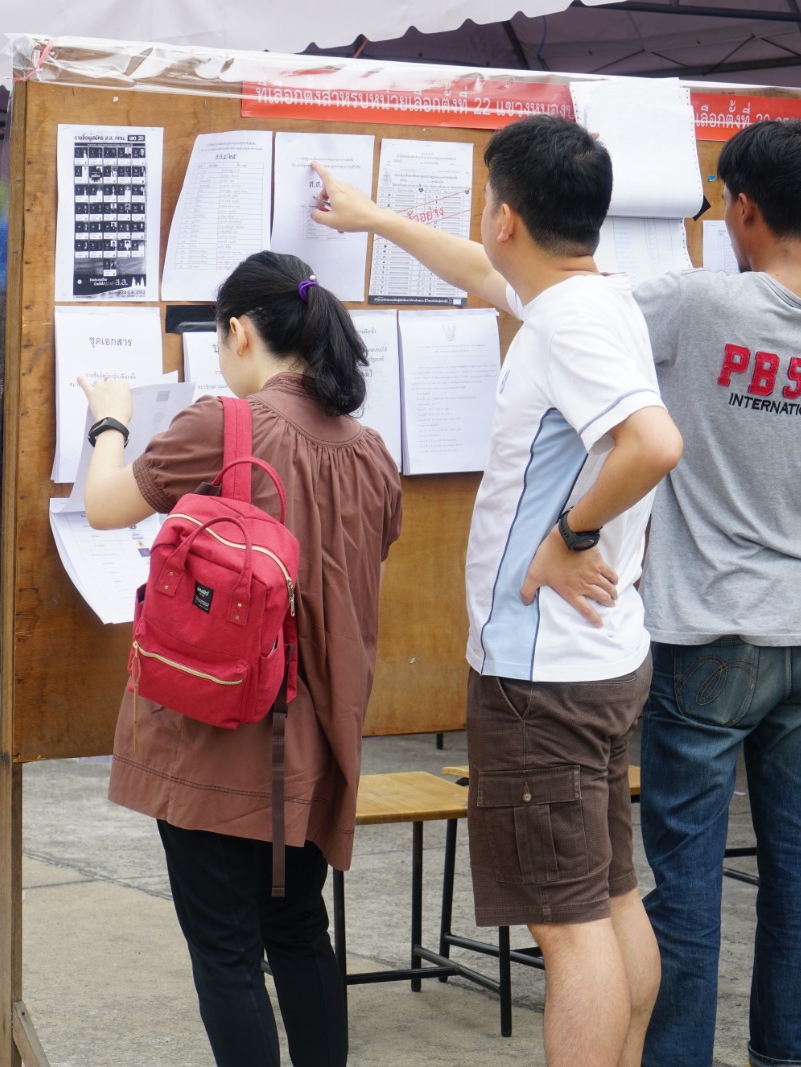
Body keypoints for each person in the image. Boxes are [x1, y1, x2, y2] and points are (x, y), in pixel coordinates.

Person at [310, 115, 683, 1067]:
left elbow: (654, 443)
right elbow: (484, 275)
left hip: (541, 674)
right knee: (610, 897)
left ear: (508, 215)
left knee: (567, 928)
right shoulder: (591, 300)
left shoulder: (570, 325)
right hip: (595, 660)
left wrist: (569, 535)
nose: (483, 221)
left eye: (487, 203)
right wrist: (371, 217)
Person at [80, 251, 401, 1067]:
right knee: (298, 934)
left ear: (237, 332)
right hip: (315, 741)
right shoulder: (369, 452)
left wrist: (108, 422)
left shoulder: (224, 427)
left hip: (219, 735)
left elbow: (104, 504)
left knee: (225, 951)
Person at [629, 120, 801, 1067]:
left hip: (708, 627)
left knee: (687, 885)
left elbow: (572, 311)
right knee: (795, 878)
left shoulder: (702, 303)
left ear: (740, 207)